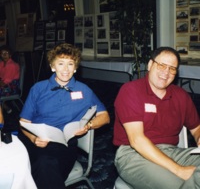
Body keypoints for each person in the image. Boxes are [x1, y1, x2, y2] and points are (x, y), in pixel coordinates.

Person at [18, 43, 110, 189]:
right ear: (53, 66)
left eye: (70, 64)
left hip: (65, 146)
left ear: (75, 68)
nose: (66, 69)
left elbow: (105, 116)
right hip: (36, 141)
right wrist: (33, 138)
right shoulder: (38, 89)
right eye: (61, 64)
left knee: (44, 166)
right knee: (33, 166)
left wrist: (88, 126)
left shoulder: (83, 90)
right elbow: (24, 122)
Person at [113, 46, 200, 189]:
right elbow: (137, 141)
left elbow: (196, 127)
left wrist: (199, 137)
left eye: (172, 68)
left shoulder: (181, 96)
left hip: (171, 151)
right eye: (162, 65)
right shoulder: (131, 91)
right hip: (133, 154)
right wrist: (179, 170)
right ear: (150, 64)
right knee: (178, 184)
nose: (166, 73)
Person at [0, 45, 20, 113]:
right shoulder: (2, 63)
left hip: (11, 87)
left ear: (10, 55)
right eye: (2, 53)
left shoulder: (11, 65)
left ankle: (5, 108)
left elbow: (5, 82)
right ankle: (6, 107)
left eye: (6, 53)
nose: (4, 55)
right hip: (4, 84)